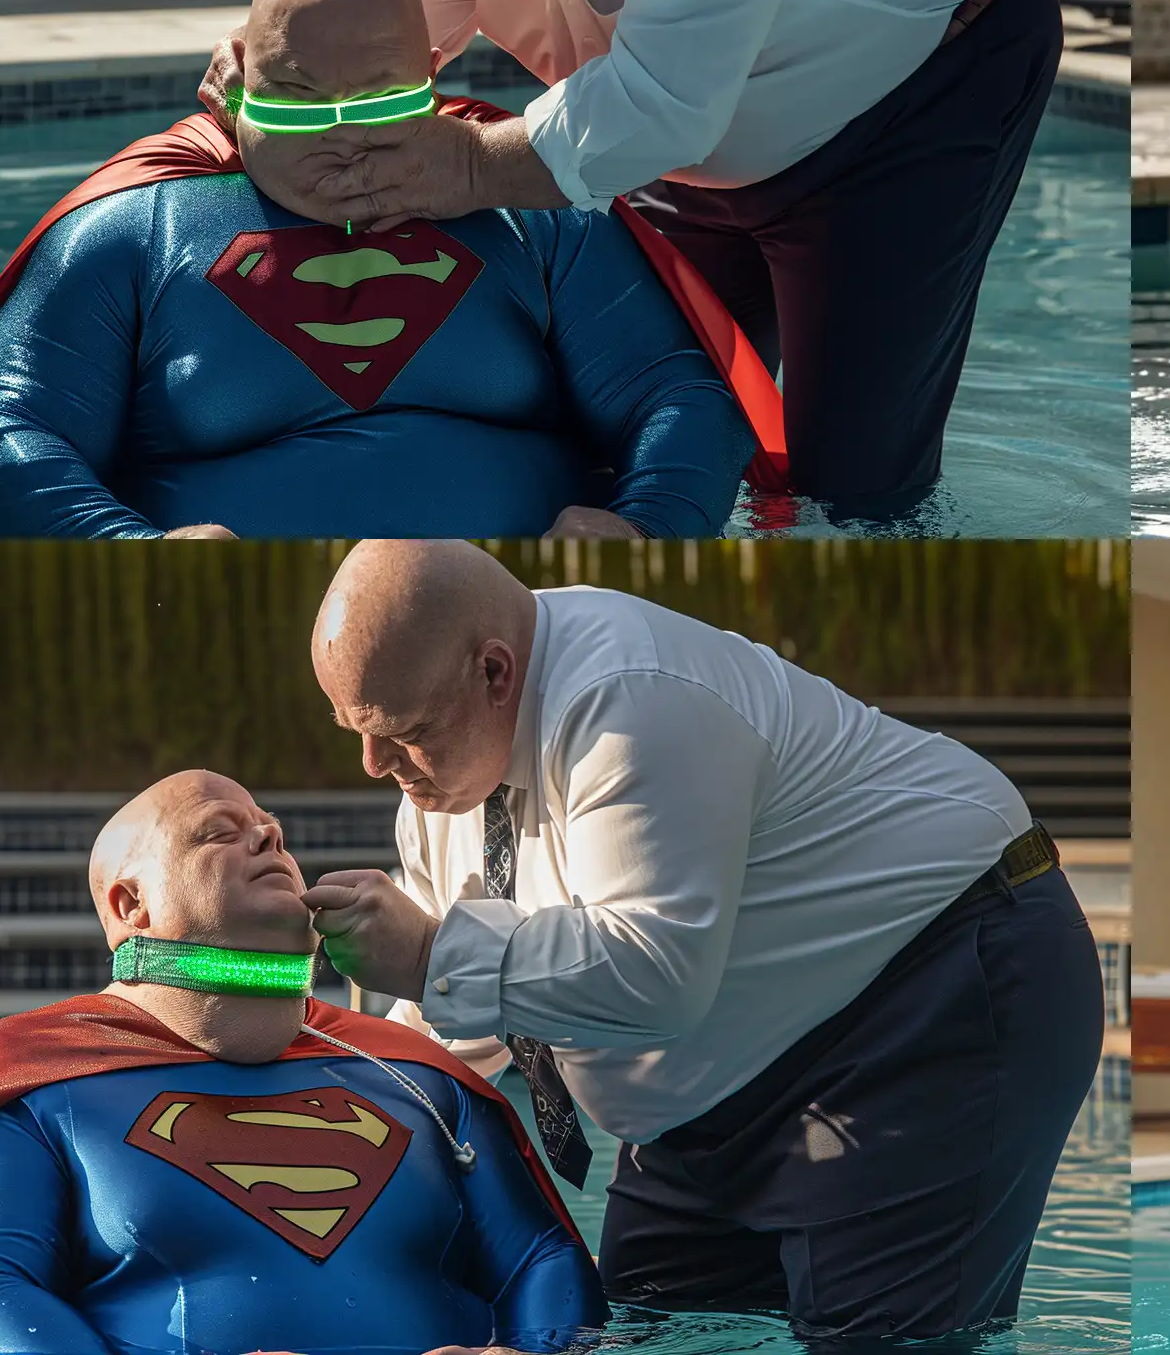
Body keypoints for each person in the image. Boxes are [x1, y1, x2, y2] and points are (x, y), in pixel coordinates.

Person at [199, 0, 1063, 517]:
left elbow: (663, 104)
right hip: (692, 146)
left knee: (853, 488)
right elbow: (379, 34)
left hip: (920, 89)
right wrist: (277, 65)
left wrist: (462, 164)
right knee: (629, 434)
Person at [297, 541, 1104, 1343]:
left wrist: (433, 954)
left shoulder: (633, 699)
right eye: (352, 732)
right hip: (711, 1099)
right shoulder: (439, 795)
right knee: (653, 1332)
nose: (374, 765)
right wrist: (343, 1132)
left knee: (876, 1340)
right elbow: (455, 1027)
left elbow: (655, 976)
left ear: (495, 672)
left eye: (403, 731)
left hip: (934, 987)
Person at [0, 0, 769, 540]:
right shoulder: (132, 228)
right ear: (235, 80)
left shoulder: (535, 214)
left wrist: (644, 524)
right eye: (297, 101)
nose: (341, 140)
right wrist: (121, 549)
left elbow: (679, 394)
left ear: (432, 76)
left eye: (381, 105)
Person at [0, 771, 602, 1355]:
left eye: (271, 828)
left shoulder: (413, 1073)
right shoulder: (21, 1081)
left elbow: (547, 1261)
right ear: (129, 905)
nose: (268, 835)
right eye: (220, 830)